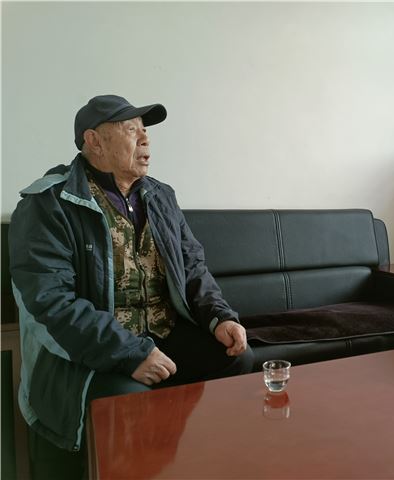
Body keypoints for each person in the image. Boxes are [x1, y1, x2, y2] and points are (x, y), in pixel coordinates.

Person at [9, 95, 254, 478]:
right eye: (130, 130)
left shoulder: (160, 196)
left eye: (145, 130)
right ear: (94, 141)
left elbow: (193, 267)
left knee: (237, 356)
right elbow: (50, 303)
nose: (145, 139)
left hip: (162, 334)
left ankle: (203, 461)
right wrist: (130, 353)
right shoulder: (49, 203)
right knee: (132, 400)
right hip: (90, 351)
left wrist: (219, 316)